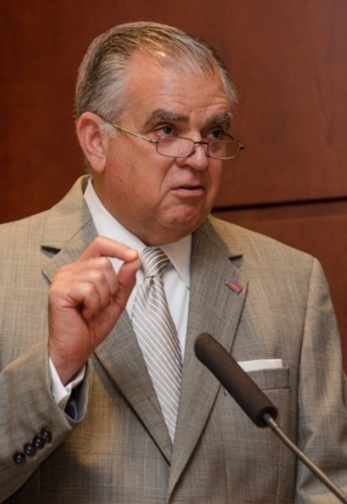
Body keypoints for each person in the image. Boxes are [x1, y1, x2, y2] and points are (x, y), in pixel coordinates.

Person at [0, 21, 346, 504]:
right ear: (95, 141)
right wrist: (55, 369)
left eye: (215, 132)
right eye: (166, 129)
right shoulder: (4, 269)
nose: (199, 158)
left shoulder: (295, 283)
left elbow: (329, 484)